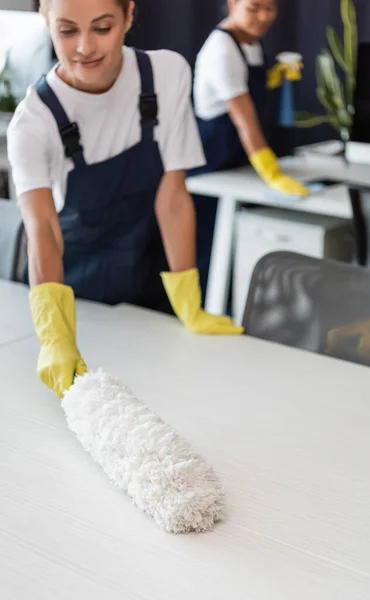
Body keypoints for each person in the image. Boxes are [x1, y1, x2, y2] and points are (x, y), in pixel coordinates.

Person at [7, 0, 243, 400]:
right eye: (67, 31)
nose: (84, 46)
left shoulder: (165, 74)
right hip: (74, 284)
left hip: (148, 269)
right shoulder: (34, 121)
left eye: (102, 28)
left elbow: (172, 195)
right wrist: (55, 336)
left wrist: (189, 300)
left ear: (129, 15)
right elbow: (43, 227)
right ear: (47, 23)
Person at [190, 0, 309, 296]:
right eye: (254, 8)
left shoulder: (250, 41)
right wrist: (271, 172)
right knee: (211, 250)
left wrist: (274, 78)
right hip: (211, 165)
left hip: (238, 161)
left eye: (270, 8)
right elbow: (246, 122)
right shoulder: (222, 50)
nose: (264, 17)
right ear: (232, 4)